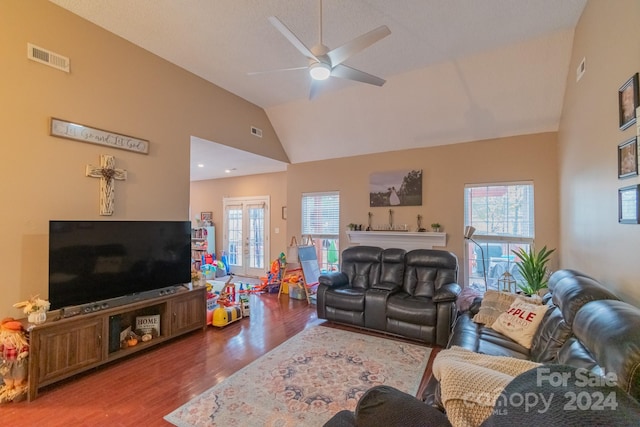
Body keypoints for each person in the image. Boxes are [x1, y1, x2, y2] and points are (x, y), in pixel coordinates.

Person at [0, 318, 29, 403]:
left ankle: (19, 390)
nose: (6, 340)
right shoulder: (3, 346)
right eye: (4, 337)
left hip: (17, 365)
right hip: (7, 364)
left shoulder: (19, 346)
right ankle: (8, 390)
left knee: (18, 379)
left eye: (9, 337)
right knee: (8, 378)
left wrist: (23, 354)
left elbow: (25, 350)